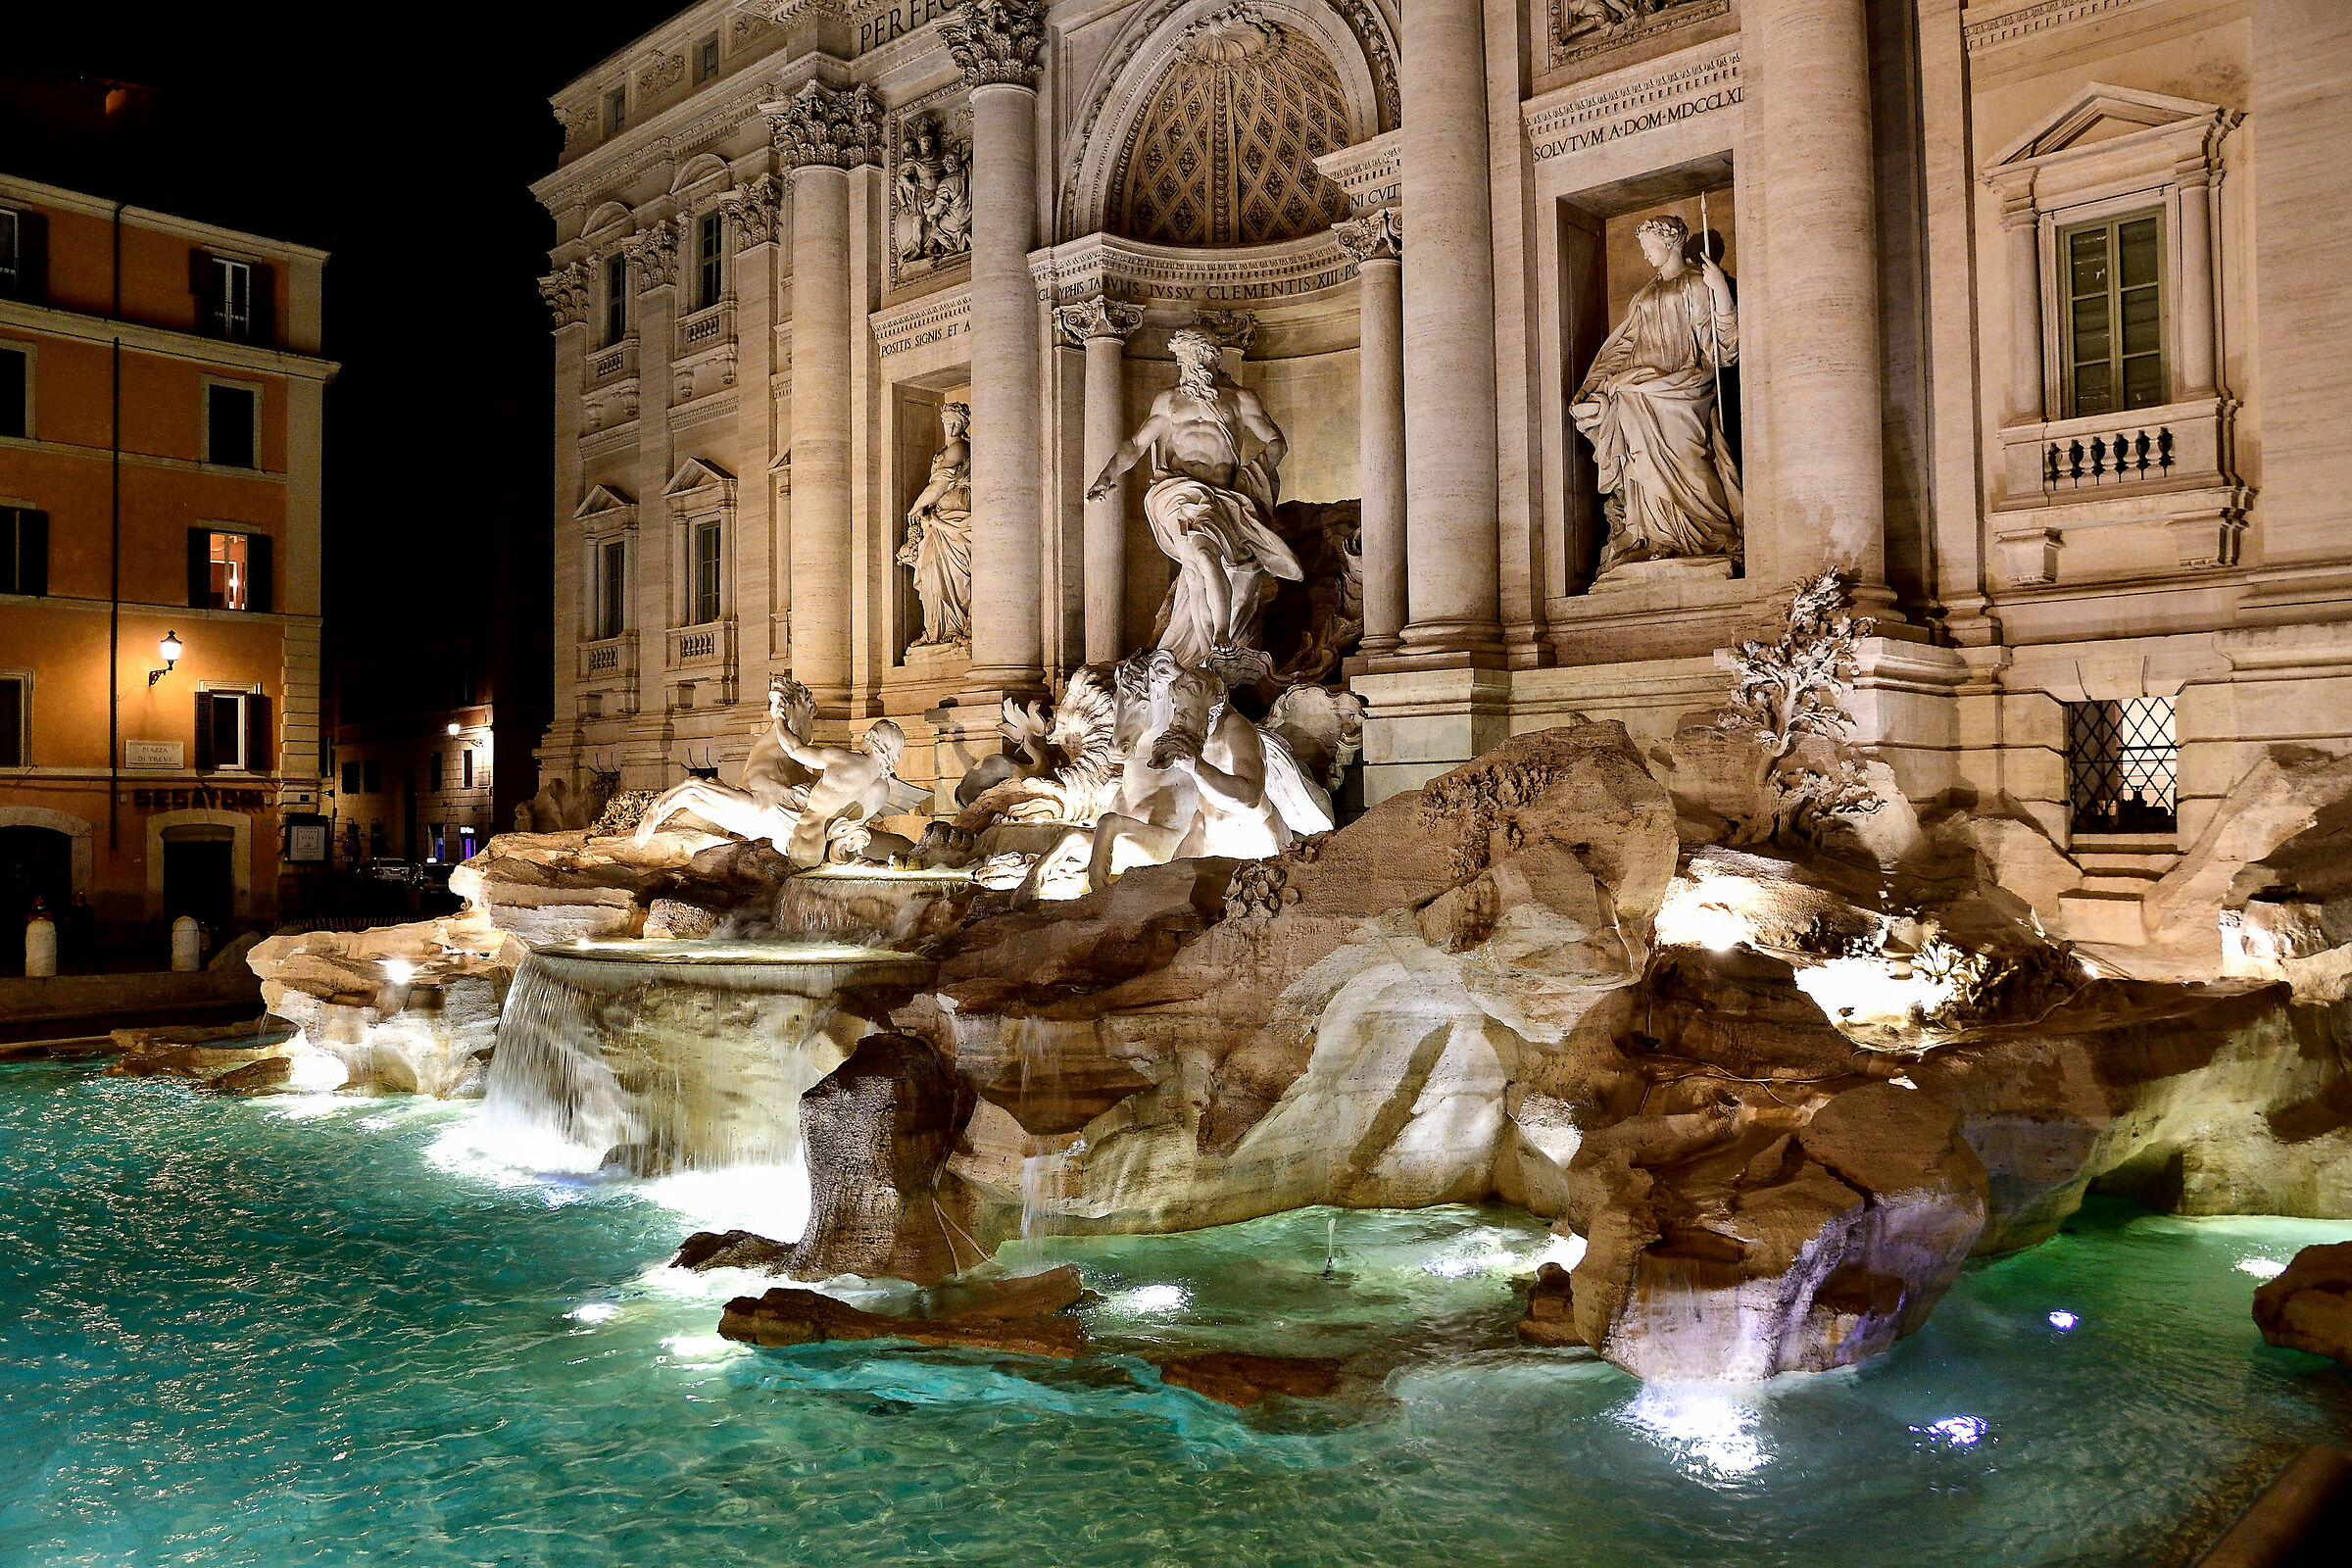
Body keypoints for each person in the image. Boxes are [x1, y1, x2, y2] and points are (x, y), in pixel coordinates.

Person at [1086, 328, 1301, 670]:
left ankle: (1208, 647)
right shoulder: (1168, 401)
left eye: (1193, 356)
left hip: (1222, 496)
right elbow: (1136, 445)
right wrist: (1107, 475)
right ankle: (1220, 635)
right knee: (1202, 552)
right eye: (1182, 359)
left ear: (1211, 357)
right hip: (1177, 493)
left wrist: (1257, 471)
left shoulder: (1240, 399)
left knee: (1200, 570)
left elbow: (1276, 442)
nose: (1186, 365)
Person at [1570, 214, 1742, 577]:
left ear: (1670, 243)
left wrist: (1721, 292)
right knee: (1637, 448)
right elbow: (1622, 346)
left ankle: (1713, 533)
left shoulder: (1696, 284)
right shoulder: (1644, 295)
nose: (1646, 254)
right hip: (1637, 389)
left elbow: (1723, 348)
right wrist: (1591, 386)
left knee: (1691, 459)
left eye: (1650, 246)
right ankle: (1655, 536)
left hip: (1683, 388)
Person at [897, 402, 973, 647]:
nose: (951, 427)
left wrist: (917, 506)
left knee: (957, 576)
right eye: (947, 422)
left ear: (964, 425)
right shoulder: (942, 452)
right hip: (937, 522)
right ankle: (935, 630)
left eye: (957, 423)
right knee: (931, 570)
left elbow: (941, 484)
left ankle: (955, 626)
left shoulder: (960, 449)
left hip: (956, 520)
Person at [66, 892, 99, 974]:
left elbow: (95, 919)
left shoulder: (89, 908)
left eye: (81, 896)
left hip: (88, 934)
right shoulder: (72, 909)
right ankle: (80, 971)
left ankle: (98, 970)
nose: (80, 897)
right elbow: (67, 921)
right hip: (77, 935)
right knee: (78, 954)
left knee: (92, 952)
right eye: (78, 896)